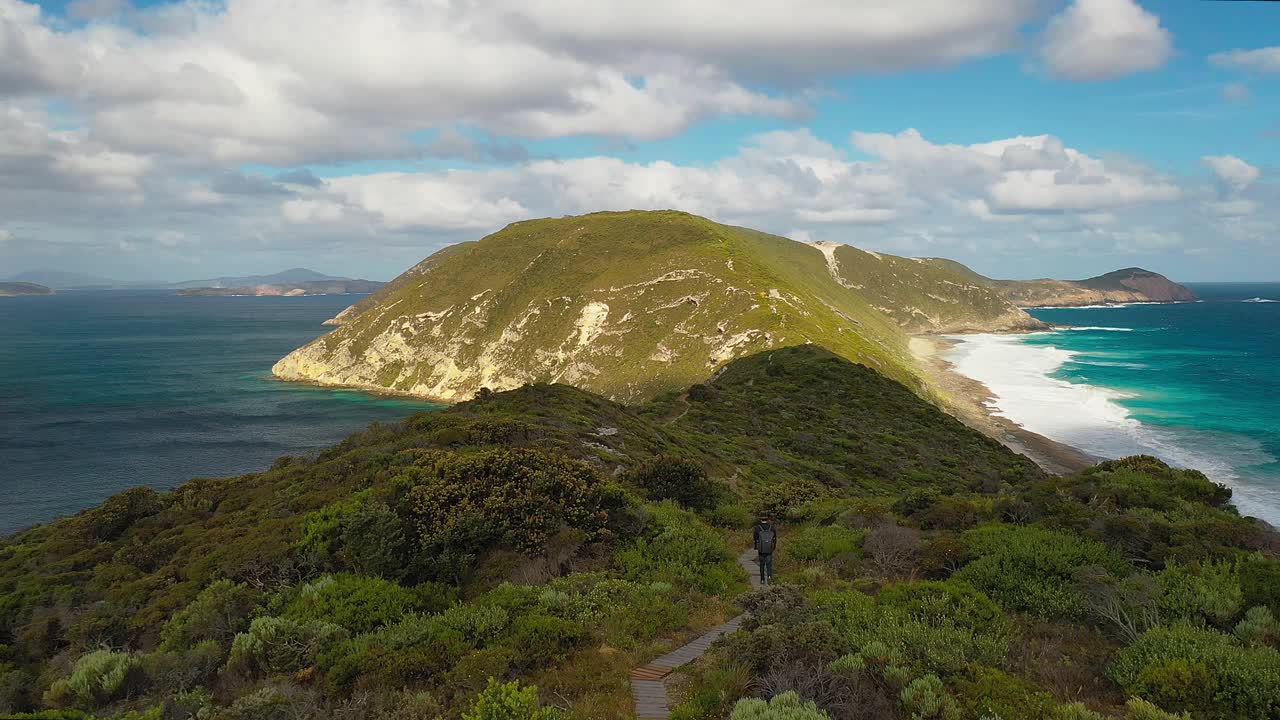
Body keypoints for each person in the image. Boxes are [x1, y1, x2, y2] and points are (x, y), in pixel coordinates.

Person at [752, 514, 777, 585]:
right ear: (767, 519)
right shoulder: (771, 527)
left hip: (761, 549)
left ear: (760, 519)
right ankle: (769, 577)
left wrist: (756, 547)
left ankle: (762, 579)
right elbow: (775, 538)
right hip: (769, 549)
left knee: (762, 564)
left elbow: (755, 538)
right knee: (769, 564)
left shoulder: (757, 528)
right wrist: (773, 547)